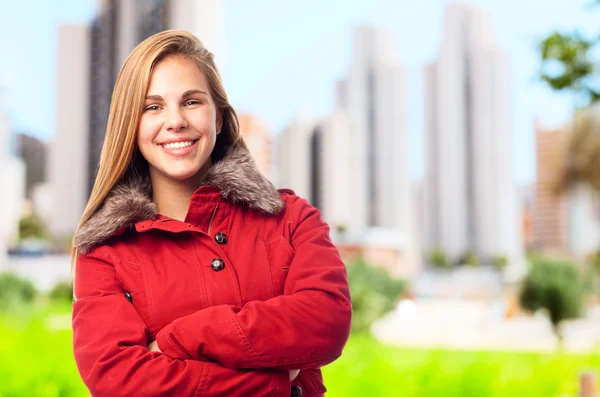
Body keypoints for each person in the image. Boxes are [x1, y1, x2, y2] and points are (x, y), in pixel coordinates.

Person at [71, 30, 352, 397]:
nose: (175, 121)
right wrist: (278, 383)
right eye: (152, 106)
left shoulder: (293, 218)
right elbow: (119, 381)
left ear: (219, 118)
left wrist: (179, 339)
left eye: (191, 102)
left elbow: (327, 321)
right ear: (132, 125)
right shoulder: (105, 252)